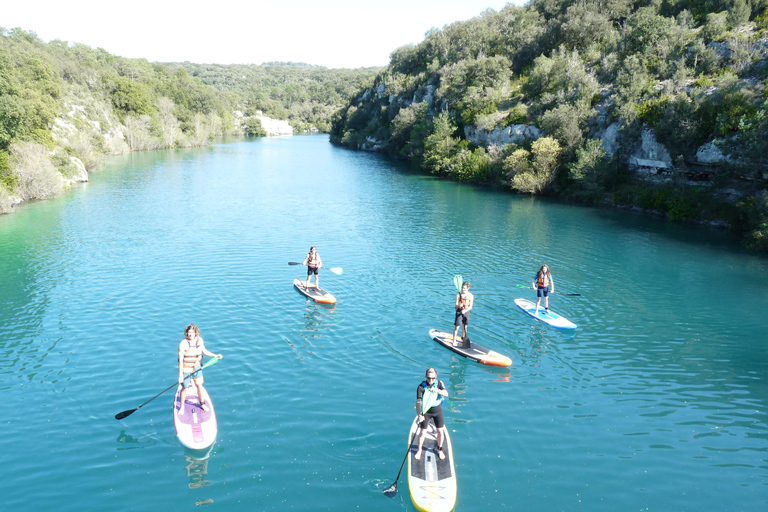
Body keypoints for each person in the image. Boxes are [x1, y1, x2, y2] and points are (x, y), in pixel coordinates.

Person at [177, 323, 222, 415]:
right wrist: (180, 375)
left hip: (197, 368)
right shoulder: (183, 344)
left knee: (199, 385)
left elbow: (204, 351)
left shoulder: (199, 340)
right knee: (184, 388)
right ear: (186, 333)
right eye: (189, 332)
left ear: (195, 333)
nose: (190, 334)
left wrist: (215, 355)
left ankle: (202, 404)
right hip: (186, 369)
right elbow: (180, 361)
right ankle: (182, 407)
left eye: (192, 332)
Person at [414, 367, 449, 461]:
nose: (431, 380)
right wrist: (419, 415)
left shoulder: (439, 383)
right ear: (425, 376)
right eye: (429, 378)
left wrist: (438, 391)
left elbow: (446, 394)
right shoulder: (421, 387)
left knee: (440, 431)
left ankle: (439, 449)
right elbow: (418, 402)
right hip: (426, 411)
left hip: (437, 410)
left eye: (433, 378)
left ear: (436, 377)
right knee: (422, 432)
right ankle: (419, 450)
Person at [452, 281, 473, 348]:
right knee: (457, 327)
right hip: (459, 312)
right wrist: (459, 305)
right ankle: (454, 340)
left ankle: (463, 339)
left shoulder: (470, 296)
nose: (463, 290)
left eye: (465, 288)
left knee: (464, 327)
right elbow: (456, 305)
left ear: (468, 288)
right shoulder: (458, 295)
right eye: (462, 288)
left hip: (466, 312)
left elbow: (470, 306)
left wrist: (465, 310)